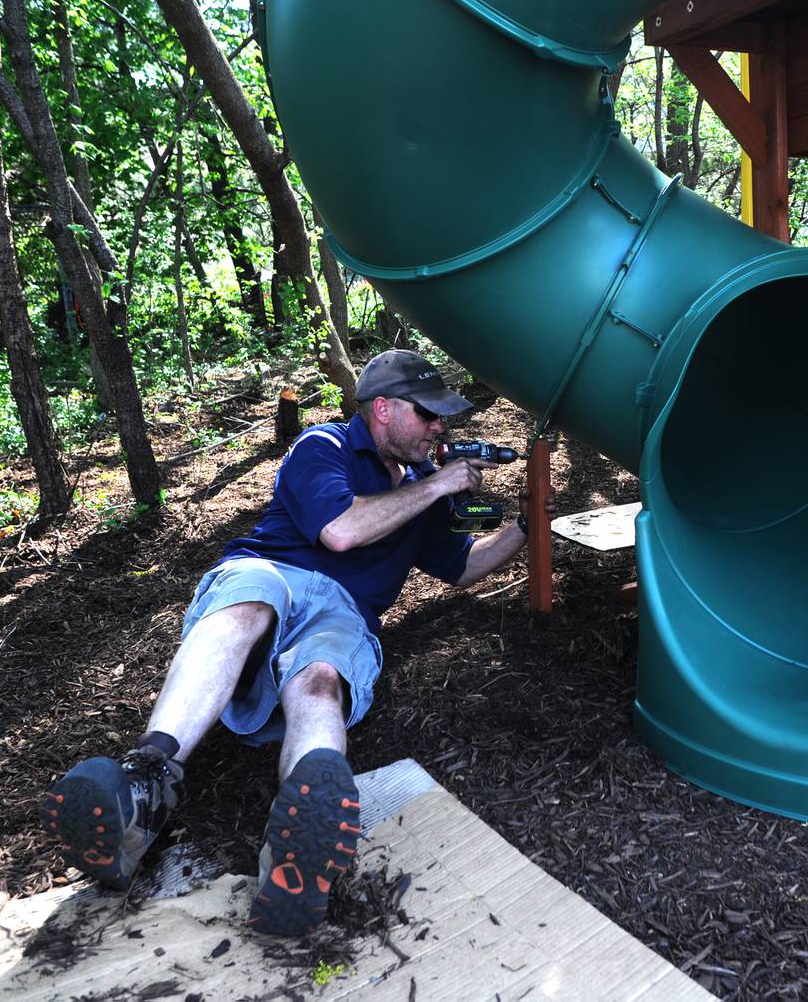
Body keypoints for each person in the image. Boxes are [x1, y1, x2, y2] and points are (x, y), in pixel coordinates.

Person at [40, 349, 557, 936]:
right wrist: (438, 485)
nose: (442, 426)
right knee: (245, 605)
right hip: (272, 573)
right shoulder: (325, 446)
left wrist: (523, 525)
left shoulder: (422, 490)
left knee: (322, 677)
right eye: (428, 413)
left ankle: (298, 848)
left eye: (443, 418)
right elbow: (338, 530)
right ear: (382, 409)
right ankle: (146, 781)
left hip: (346, 610)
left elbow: (463, 568)